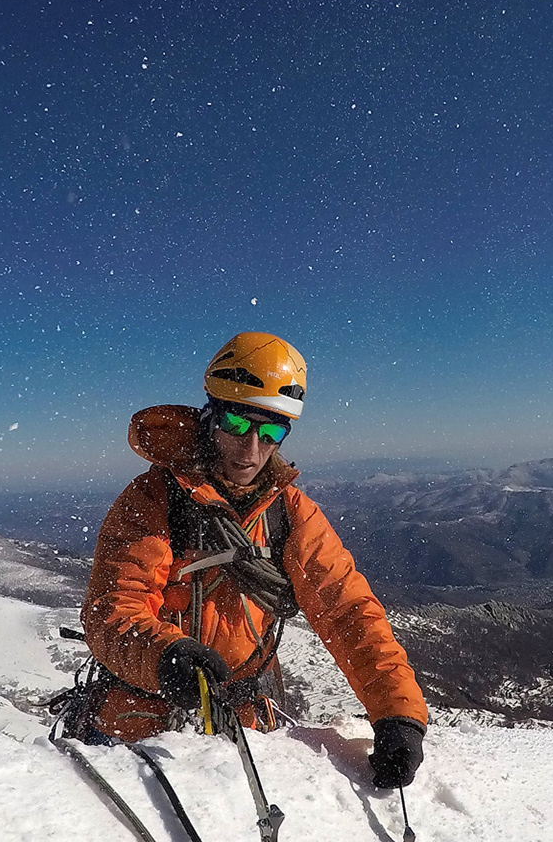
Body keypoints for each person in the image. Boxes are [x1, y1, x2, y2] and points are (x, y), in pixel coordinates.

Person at [76, 331, 427, 790]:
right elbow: (112, 610)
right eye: (238, 425)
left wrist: (398, 713)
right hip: (139, 725)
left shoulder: (290, 512)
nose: (251, 449)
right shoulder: (156, 499)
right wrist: (167, 656)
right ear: (210, 416)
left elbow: (347, 610)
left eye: (272, 431)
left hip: (246, 726)